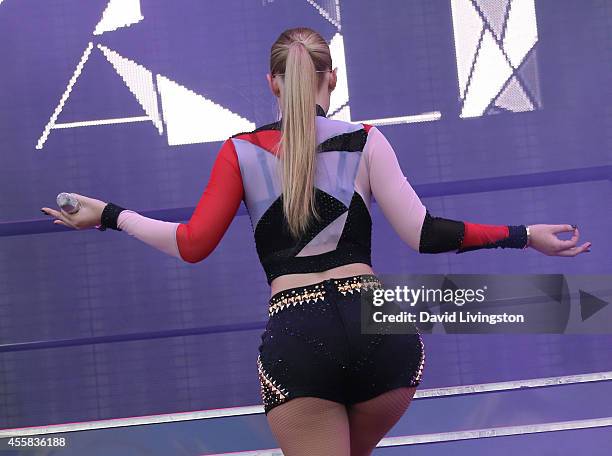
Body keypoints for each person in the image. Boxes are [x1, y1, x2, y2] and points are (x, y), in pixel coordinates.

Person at [41, 27, 591, 456]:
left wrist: (111, 216)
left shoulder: (240, 151)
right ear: (333, 77)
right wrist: (523, 236)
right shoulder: (368, 141)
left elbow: (192, 244)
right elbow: (424, 234)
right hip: (382, 325)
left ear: (272, 82)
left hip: (300, 335)